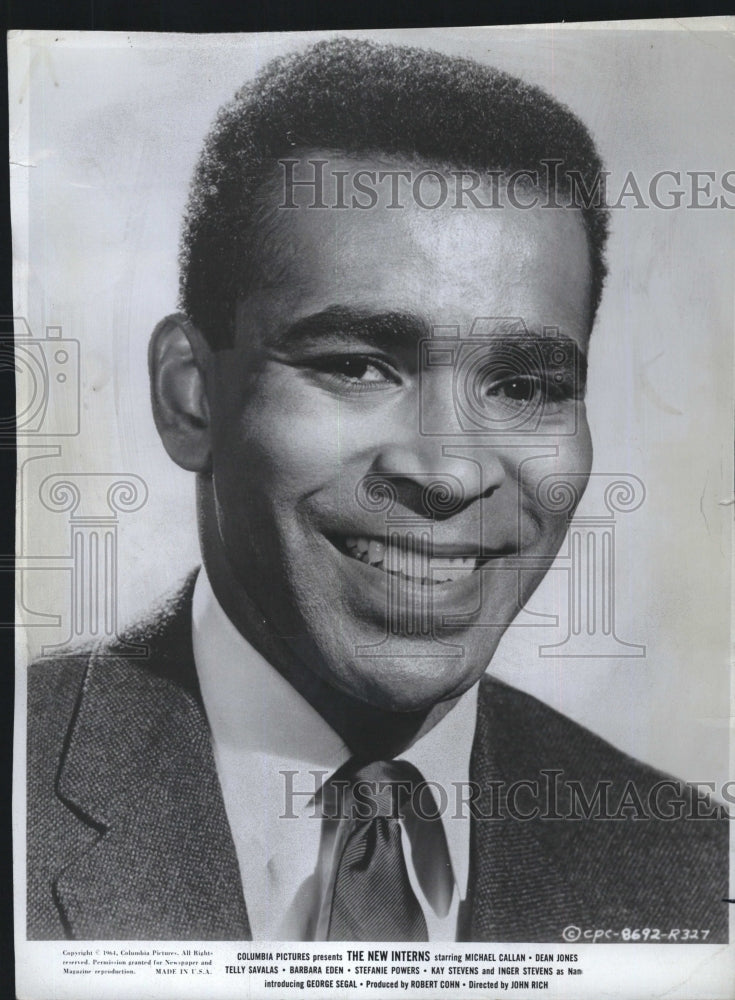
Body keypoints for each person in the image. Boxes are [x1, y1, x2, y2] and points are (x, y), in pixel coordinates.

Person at [27, 36, 728, 942]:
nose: (448, 472)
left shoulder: (693, 875)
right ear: (190, 396)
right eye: (358, 366)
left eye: (522, 386)